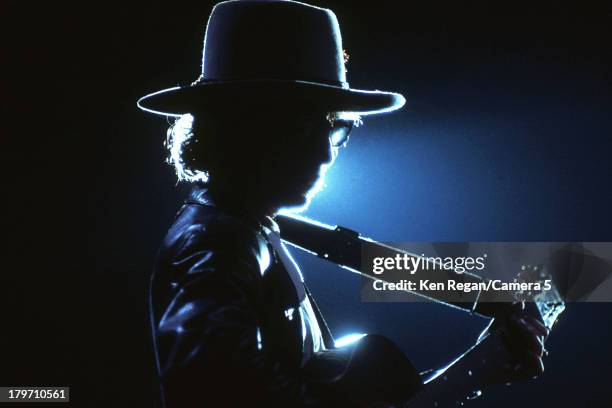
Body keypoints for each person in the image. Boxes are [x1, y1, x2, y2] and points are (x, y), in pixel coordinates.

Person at [138, 1, 548, 406]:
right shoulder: (215, 247)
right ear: (241, 128)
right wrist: (475, 370)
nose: (323, 154)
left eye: (334, 129)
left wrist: (479, 368)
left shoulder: (247, 231)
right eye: (302, 128)